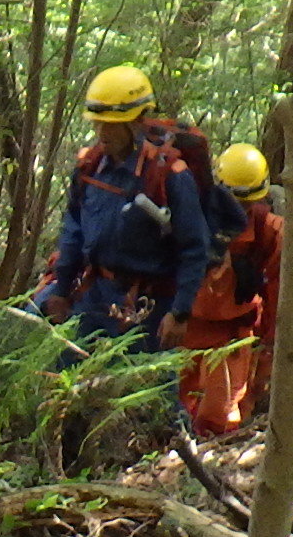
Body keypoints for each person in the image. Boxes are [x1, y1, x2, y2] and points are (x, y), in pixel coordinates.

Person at [34, 64, 211, 349]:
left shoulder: (169, 176)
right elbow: (74, 229)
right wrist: (62, 288)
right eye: (97, 123)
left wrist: (179, 313)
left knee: (148, 388)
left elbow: (194, 248)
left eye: (111, 125)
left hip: (149, 304)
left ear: (135, 124)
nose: (102, 132)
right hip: (94, 295)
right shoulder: (89, 167)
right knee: (68, 374)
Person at [182, 142, 282, 437]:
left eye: (246, 203)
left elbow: (276, 294)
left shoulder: (269, 232)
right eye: (233, 201)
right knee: (171, 411)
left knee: (219, 419)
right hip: (184, 328)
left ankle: (209, 471)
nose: (239, 210)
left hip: (232, 336)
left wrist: (268, 346)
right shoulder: (192, 220)